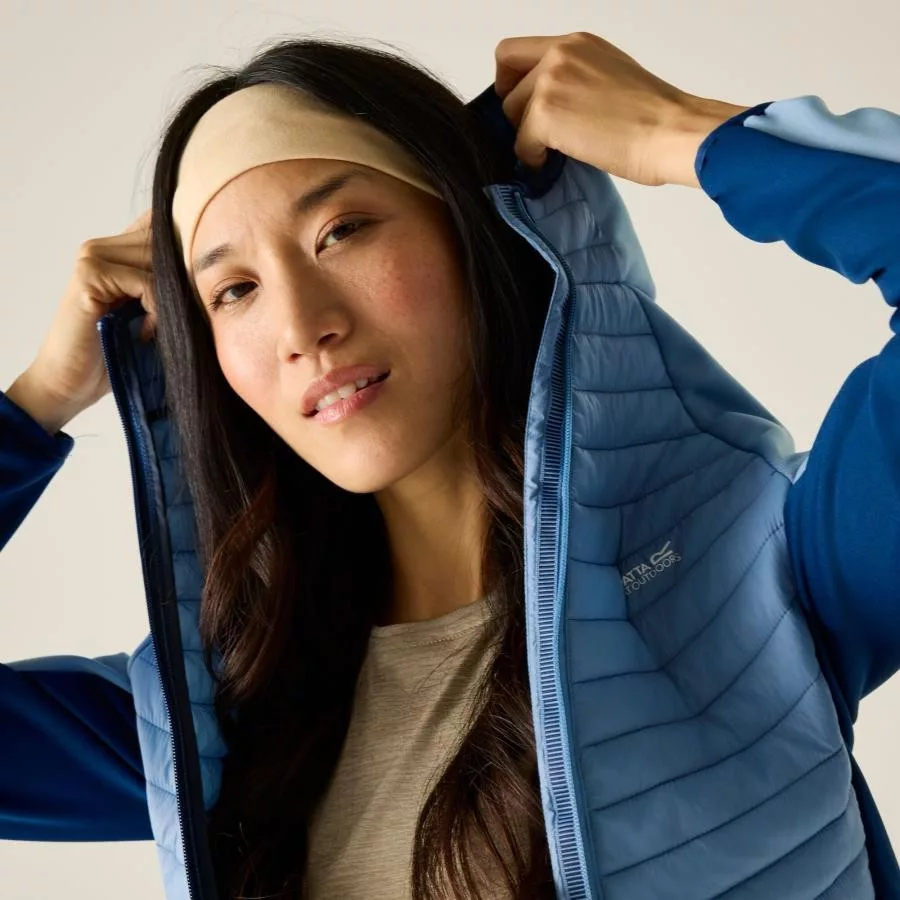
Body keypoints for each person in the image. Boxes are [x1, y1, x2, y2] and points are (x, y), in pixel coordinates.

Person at [1, 29, 898, 900]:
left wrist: (684, 132)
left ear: (473, 233)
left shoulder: (756, 567)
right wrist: (39, 401)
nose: (301, 326)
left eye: (342, 231)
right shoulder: (221, 712)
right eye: (234, 290)